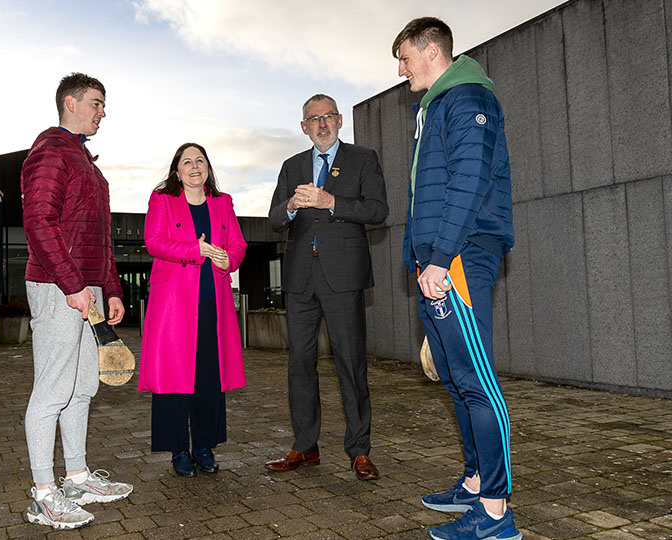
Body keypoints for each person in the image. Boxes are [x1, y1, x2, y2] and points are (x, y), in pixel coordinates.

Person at [393, 18, 519, 540]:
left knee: (477, 383)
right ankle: (473, 482)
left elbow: (468, 182)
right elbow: (426, 193)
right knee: (456, 380)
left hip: (461, 257)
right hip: (439, 261)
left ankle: (495, 512)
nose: (401, 70)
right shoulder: (436, 105)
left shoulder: (468, 97)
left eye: (404, 58)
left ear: (431, 51)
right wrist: (417, 259)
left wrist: (441, 256)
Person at [21, 73, 133, 530]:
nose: (102, 112)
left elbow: (98, 238)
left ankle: (77, 476)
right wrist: (70, 285)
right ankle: (44, 495)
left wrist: (112, 289)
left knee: (83, 386)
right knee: (52, 389)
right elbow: (39, 223)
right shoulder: (50, 150)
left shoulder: (87, 161)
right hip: (57, 289)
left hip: (85, 291)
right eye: (96, 103)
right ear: (70, 103)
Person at [265, 94, 388, 480]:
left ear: (339, 121)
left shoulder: (363, 158)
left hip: (343, 277)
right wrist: (290, 207)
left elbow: (378, 210)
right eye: (313, 119)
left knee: (350, 363)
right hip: (301, 279)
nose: (321, 124)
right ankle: (305, 446)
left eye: (328, 117)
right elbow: (273, 219)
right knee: (299, 364)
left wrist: (330, 200)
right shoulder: (292, 166)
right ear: (303, 127)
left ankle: (359, 450)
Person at [138, 142, 247, 477]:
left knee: (209, 378)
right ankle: (178, 451)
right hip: (173, 305)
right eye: (188, 162)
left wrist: (230, 259)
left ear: (207, 168)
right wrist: (195, 249)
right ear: (177, 170)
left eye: (200, 161)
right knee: (174, 378)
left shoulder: (223, 202)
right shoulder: (163, 200)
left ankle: (204, 446)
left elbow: (239, 243)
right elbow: (153, 242)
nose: (195, 167)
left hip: (213, 302)